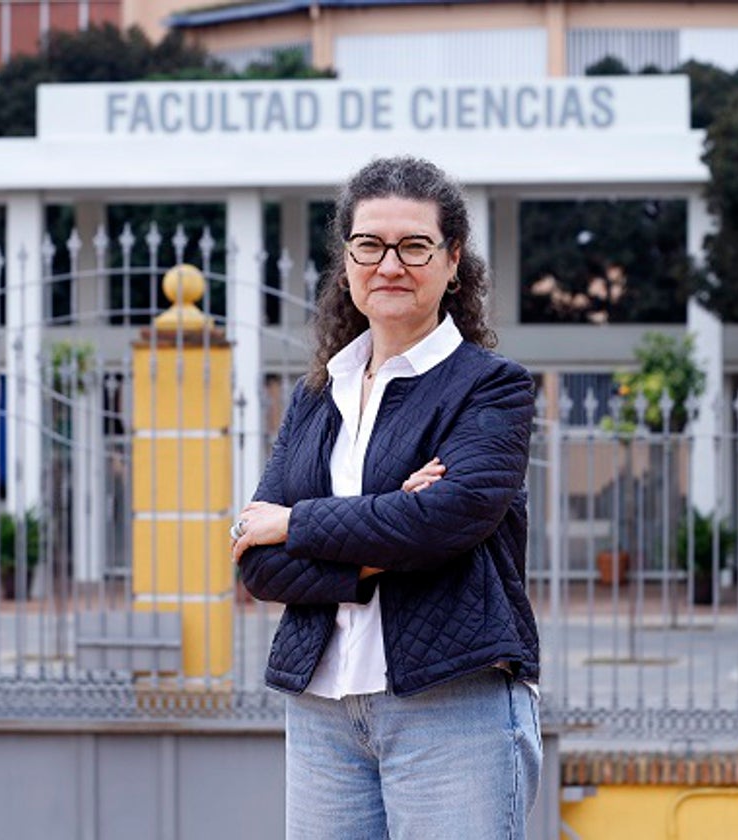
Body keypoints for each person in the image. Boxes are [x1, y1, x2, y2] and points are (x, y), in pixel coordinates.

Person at [231, 156, 541, 839]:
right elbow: (256, 562)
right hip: (321, 707)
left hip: (452, 700)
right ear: (347, 260)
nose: (389, 264)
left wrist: (297, 523)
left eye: (415, 246)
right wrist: (383, 531)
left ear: (453, 260)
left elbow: (444, 521)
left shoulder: (491, 388)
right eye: (369, 245)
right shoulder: (319, 394)